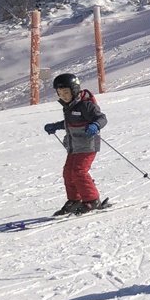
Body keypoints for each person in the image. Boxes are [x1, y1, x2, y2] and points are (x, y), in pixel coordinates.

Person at [42, 73, 107, 216]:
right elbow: (70, 123)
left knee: (79, 171)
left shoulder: (86, 105)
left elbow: (102, 118)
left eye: (66, 92)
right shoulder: (69, 106)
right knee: (68, 172)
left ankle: (92, 200)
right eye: (60, 93)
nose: (63, 96)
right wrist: (55, 126)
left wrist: (96, 125)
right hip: (74, 145)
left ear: (74, 90)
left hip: (88, 144)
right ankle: (75, 199)